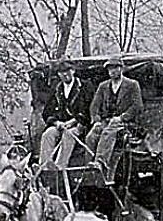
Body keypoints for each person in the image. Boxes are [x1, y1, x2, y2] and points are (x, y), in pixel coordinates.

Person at [85, 56, 143, 185]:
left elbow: (137, 106)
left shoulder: (132, 85)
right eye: (110, 69)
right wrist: (96, 120)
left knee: (109, 131)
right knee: (91, 135)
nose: (112, 71)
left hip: (126, 124)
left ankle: (100, 163)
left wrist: (122, 117)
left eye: (115, 68)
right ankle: (88, 168)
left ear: (121, 68)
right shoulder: (103, 86)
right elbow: (94, 106)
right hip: (106, 121)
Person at [37, 61, 92, 171]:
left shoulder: (85, 86)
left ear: (73, 71)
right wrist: (56, 123)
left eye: (68, 71)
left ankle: (60, 166)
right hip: (60, 125)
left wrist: (73, 122)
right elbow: (47, 112)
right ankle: (44, 167)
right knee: (48, 134)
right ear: (58, 74)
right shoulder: (57, 89)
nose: (65, 74)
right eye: (61, 72)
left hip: (79, 125)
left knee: (69, 134)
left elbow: (89, 109)